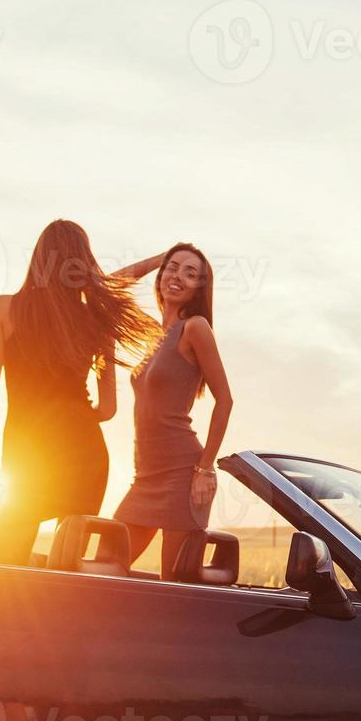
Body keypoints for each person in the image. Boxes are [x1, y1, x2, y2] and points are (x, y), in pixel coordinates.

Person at [0, 220, 161, 565]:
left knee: (2, 567)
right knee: (66, 568)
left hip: (27, 456)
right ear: (83, 264)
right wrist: (163, 257)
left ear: (39, 259)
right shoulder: (95, 319)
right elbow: (106, 411)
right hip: (84, 455)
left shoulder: (4, 309)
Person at [114, 242, 234, 578]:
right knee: (106, 567)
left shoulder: (195, 327)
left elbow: (225, 399)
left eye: (190, 273)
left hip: (183, 475)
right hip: (145, 477)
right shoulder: (153, 333)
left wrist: (205, 468)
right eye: (173, 267)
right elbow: (107, 287)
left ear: (199, 288)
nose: (178, 276)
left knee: (176, 587)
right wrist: (158, 258)